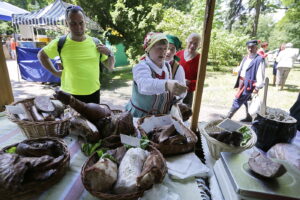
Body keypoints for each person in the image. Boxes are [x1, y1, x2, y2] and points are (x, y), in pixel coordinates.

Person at [38, 5, 115, 104]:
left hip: (93, 94)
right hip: (69, 95)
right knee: (70, 120)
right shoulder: (60, 43)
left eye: (81, 23)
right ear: (67, 23)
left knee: (93, 120)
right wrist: (55, 72)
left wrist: (109, 53)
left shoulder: (95, 42)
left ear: (85, 22)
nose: (78, 27)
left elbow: (110, 67)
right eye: (73, 23)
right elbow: (41, 55)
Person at [125, 32, 187, 118]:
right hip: (139, 117)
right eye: (159, 48)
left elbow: (169, 94)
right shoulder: (141, 67)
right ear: (148, 49)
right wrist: (167, 84)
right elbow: (145, 85)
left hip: (161, 118)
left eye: (165, 48)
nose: (164, 52)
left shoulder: (167, 66)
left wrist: (179, 94)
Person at [225, 40, 266, 122]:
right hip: (242, 82)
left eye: (252, 47)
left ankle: (227, 117)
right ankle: (249, 117)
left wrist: (257, 87)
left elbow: (260, 74)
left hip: (249, 85)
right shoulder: (245, 57)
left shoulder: (259, 59)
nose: (250, 49)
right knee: (246, 100)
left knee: (238, 99)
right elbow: (242, 69)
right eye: (249, 47)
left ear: (256, 48)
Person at [175, 33, 201, 107]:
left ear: (199, 45)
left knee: (184, 115)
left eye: (196, 44)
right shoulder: (178, 55)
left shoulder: (200, 59)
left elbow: (200, 80)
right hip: (175, 89)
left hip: (188, 92)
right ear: (187, 41)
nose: (192, 46)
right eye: (191, 42)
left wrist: (189, 82)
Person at [165, 34, 186, 99]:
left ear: (176, 51)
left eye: (172, 49)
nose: (168, 52)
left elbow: (182, 93)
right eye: (167, 48)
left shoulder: (178, 68)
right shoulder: (154, 62)